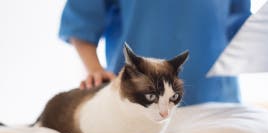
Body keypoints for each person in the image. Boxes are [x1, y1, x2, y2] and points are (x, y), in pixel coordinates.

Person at [59, 0, 251, 106]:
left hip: (218, 101)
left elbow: (239, 24)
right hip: (138, 104)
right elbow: (81, 19)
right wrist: (95, 70)